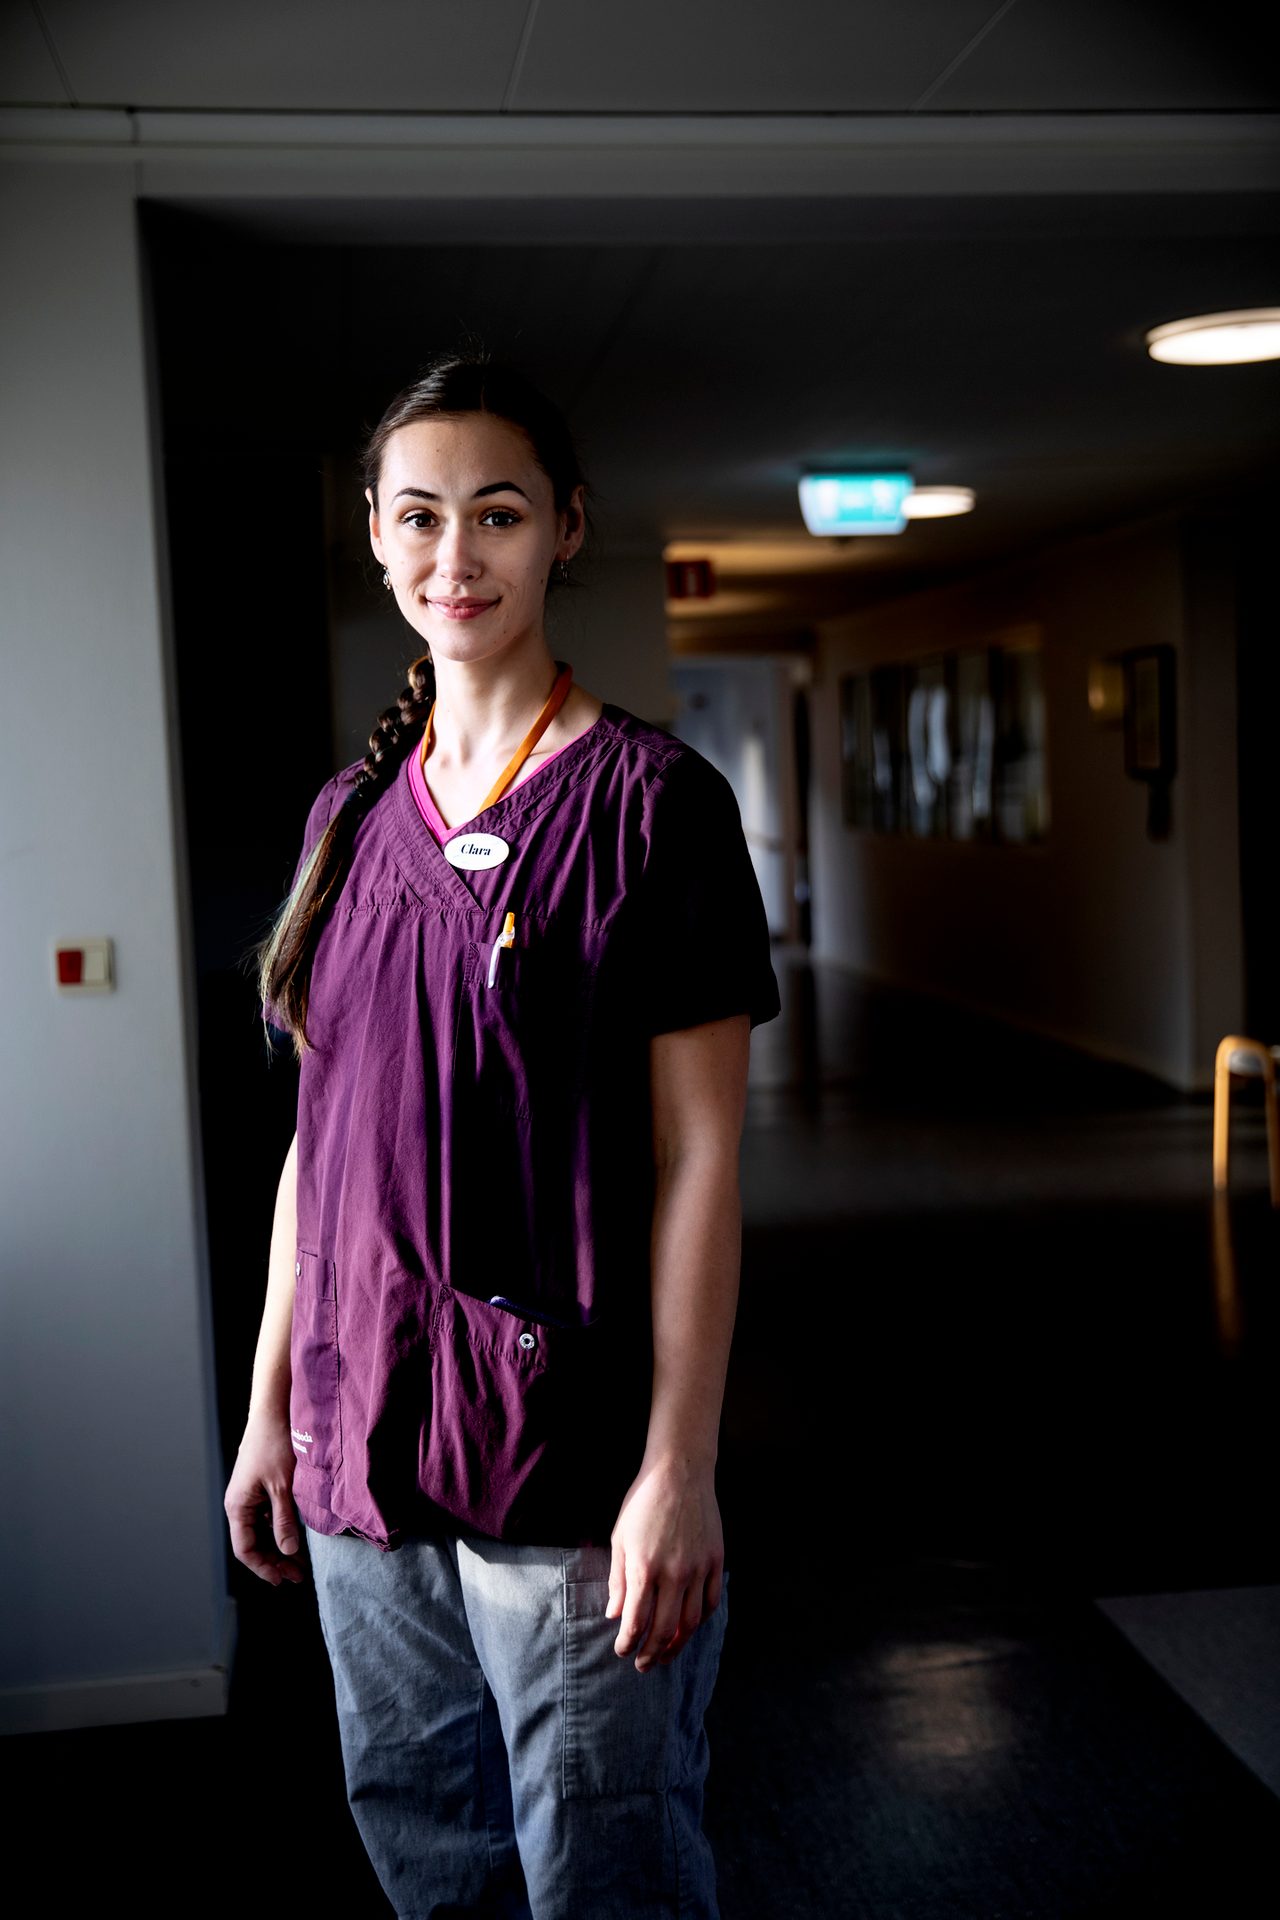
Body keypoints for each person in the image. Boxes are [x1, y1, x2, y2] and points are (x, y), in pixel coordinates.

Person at [223, 351, 781, 1919]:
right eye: (418, 518)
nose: (453, 557)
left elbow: (702, 1166)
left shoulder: (652, 806)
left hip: (567, 1465)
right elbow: (315, 1153)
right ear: (377, 537)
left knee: (604, 1873)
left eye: (497, 513)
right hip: (360, 1448)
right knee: (429, 1861)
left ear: (567, 530)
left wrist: (680, 1468)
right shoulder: (347, 818)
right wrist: (273, 1405)